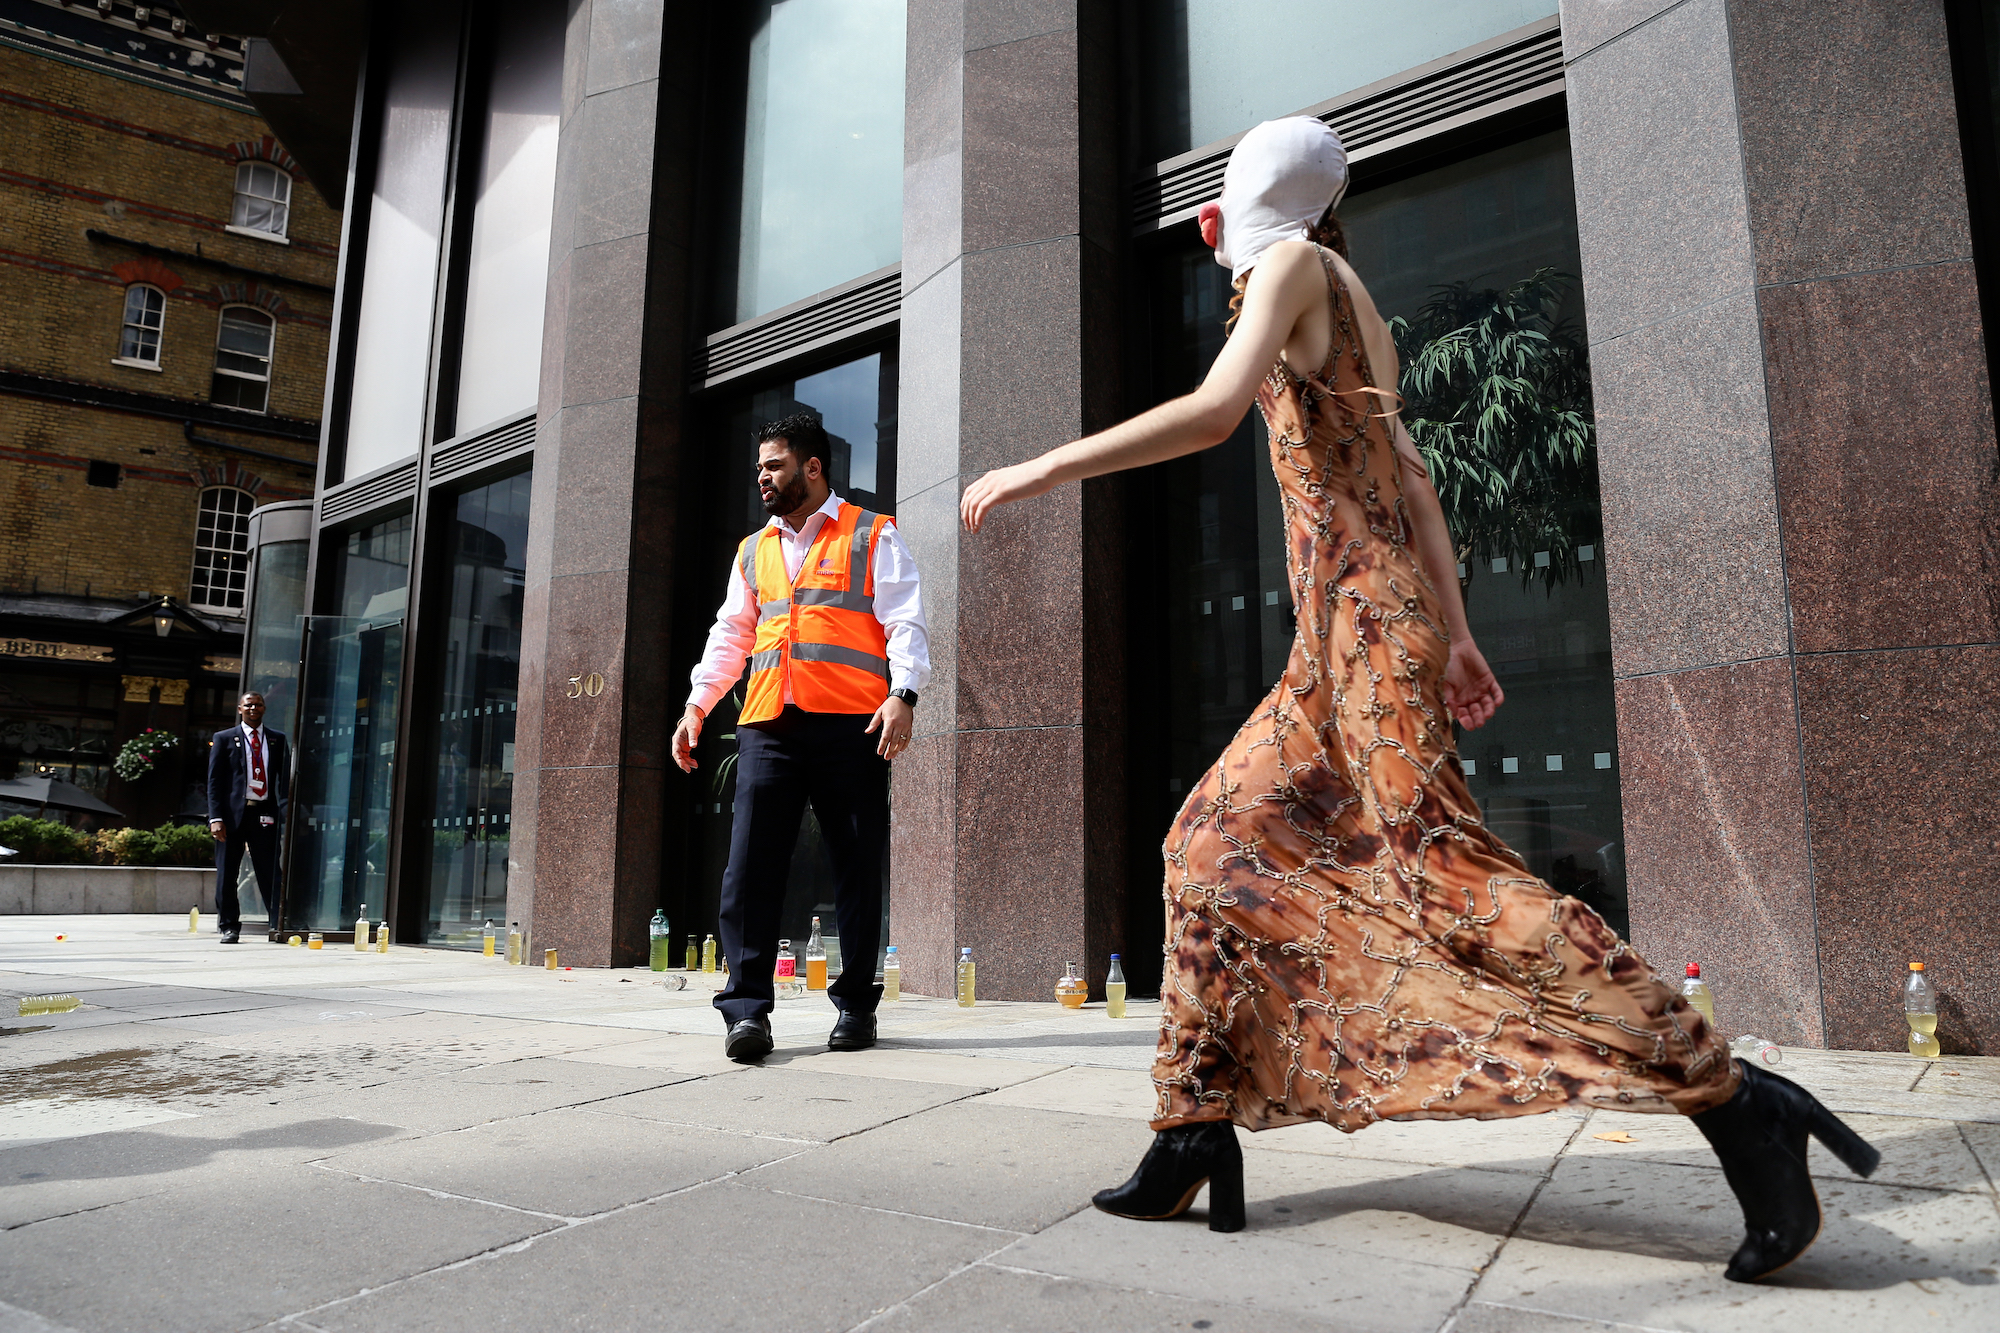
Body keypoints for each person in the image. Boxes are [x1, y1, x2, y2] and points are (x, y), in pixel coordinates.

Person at [959, 117, 1880, 1283]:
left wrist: (1038, 467)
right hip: (1345, 640)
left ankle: (1735, 1096)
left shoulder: (1292, 266)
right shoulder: (1345, 294)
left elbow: (1209, 410)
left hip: (1361, 638)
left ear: (1226, 218)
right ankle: (1189, 1125)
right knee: (1205, 842)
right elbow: (1417, 487)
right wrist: (1453, 633)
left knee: (1448, 883)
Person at [675, 413, 931, 1063]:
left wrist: (903, 694)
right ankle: (747, 1012)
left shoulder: (871, 532)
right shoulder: (753, 549)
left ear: (812, 468)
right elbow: (730, 634)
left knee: (853, 864)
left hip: (853, 723)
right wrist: (698, 706)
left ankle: (853, 1007)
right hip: (768, 725)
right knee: (749, 869)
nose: (762, 476)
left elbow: (904, 620)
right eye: (760, 466)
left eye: (774, 465)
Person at [206, 690, 288, 945]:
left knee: (270, 872)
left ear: (264, 709)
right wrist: (215, 817)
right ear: (240, 709)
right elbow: (214, 782)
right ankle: (229, 926)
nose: (253, 709)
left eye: (258, 705)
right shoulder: (224, 738)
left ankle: (277, 923)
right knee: (227, 873)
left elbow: (283, 782)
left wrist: (284, 814)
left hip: (263, 813)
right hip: (231, 817)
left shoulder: (276, 739)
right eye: (248, 705)